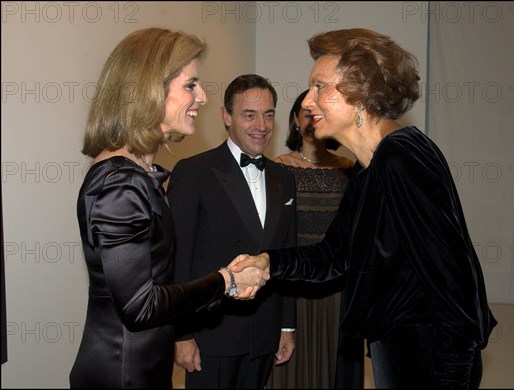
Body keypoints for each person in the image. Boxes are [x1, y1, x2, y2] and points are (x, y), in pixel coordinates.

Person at [232, 28, 497, 389]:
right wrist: (268, 261)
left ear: (360, 93)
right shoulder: (368, 167)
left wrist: (451, 377)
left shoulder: (401, 158)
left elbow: (456, 288)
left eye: (319, 86)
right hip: (396, 350)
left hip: (429, 361)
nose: (307, 102)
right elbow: (334, 256)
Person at [69, 28, 269, 389]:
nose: (203, 97)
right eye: (190, 85)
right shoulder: (118, 182)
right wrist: (227, 280)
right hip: (122, 374)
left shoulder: (138, 174)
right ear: (149, 89)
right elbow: (140, 306)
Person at [167, 74, 298, 388]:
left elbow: (286, 256)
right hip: (212, 335)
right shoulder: (193, 171)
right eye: (249, 115)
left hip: (264, 334)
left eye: (268, 115)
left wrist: (287, 327)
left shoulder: (284, 177)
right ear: (226, 116)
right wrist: (181, 334)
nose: (261, 125)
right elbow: (177, 258)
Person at [266, 89, 361, 389]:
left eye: (317, 112)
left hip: (337, 283)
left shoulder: (348, 168)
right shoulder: (278, 168)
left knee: (335, 362)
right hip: (294, 281)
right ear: (295, 120)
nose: (311, 117)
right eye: (305, 113)